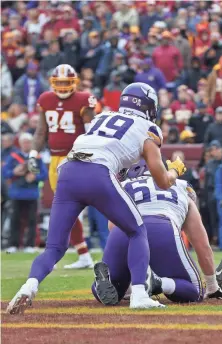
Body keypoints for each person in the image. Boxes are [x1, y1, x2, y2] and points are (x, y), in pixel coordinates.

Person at [7, 82, 187, 314]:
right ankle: (140, 294)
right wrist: (175, 171)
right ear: (148, 106)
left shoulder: (103, 116)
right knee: (136, 230)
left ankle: (29, 286)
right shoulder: (148, 128)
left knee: (54, 247)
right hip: (97, 172)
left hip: (68, 171)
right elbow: (162, 181)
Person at [92, 162, 222, 305]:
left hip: (123, 232)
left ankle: (102, 284)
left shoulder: (124, 185)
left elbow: (112, 226)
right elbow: (202, 245)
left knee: (116, 288)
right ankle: (158, 283)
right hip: (161, 226)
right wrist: (212, 285)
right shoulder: (181, 186)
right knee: (194, 290)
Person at [24, 64, 95, 269]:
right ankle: (82, 254)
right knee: (64, 207)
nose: (63, 87)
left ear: (74, 83)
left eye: (67, 83)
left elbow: (91, 132)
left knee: (69, 207)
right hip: (55, 160)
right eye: (59, 83)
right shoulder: (46, 99)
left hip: (77, 158)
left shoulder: (84, 99)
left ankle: (55, 251)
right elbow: (40, 131)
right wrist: (33, 153)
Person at [2, 133, 48, 253]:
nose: (26, 144)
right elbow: (5, 172)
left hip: (32, 193)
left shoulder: (36, 158)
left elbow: (44, 174)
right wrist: (14, 172)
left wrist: (35, 177)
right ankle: (13, 244)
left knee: (32, 220)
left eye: (28, 142)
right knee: (14, 219)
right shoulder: (14, 156)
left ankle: (30, 245)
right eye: (24, 142)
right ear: (20, 144)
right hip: (16, 193)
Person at [204, 141, 222, 244]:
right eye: (212, 150)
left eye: (216, 149)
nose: (214, 152)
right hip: (211, 192)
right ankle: (215, 238)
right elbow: (206, 182)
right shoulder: (209, 164)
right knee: (213, 217)